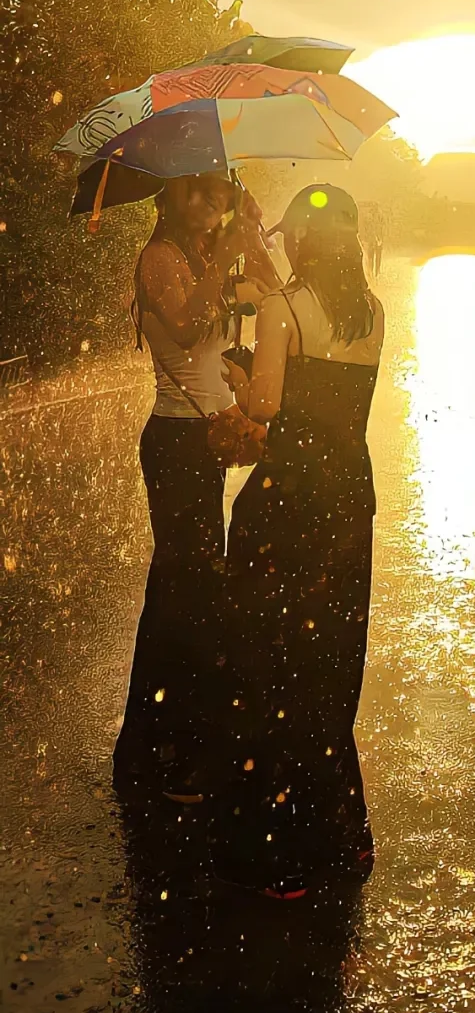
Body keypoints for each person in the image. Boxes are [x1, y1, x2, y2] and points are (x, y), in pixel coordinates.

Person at [211, 183, 384, 898]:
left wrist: (238, 369)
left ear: (306, 241)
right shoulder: (372, 311)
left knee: (268, 665)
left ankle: (276, 854)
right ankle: (341, 835)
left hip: (287, 505)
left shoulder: (284, 311)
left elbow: (266, 407)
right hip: (348, 502)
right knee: (330, 667)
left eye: (290, 235)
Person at [113, 173, 265, 800]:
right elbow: (180, 327)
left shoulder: (207, 256)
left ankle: (157, 741)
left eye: (216, 195)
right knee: (187, 589)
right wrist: (225, 258)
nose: (205, 205)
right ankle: (165, 749)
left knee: (189, 586)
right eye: (192, 194)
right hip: (175, 442)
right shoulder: (159, 259)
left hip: (204, 440)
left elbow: (270, 292)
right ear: (168, 200)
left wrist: (252, 235)